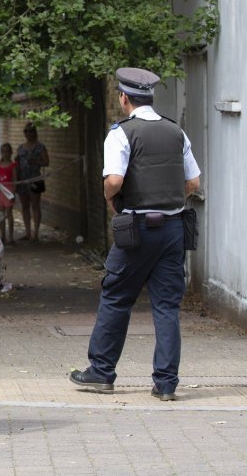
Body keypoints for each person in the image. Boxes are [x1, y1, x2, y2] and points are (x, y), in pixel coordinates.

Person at [70, 67, 201, 401]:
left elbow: (114, 180)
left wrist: (109, 196)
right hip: (173, 229)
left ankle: (101, 372)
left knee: (116, 297)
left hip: (137, 231)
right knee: (167, 306)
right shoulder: (176, 132)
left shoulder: (121, 133)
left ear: (124, 98)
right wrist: (169, 201)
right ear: (150, 98)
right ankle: (166, 384)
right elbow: (193, 183)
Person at [15, 122, 49, 241]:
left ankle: (36, 233)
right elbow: (17, 163)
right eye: (26, 131)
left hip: (35, 179)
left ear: (35, 132)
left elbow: (46, 162)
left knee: (35, 206)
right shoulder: (20, 148)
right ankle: (27, 232)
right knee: (24, 206)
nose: (29, 133)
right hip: (22, 181)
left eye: (31, 131)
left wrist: (35, 161)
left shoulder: (40, 147)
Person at [0, 143, 16, 245]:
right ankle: (2, 236)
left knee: (9, 214)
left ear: (11, 152)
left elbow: (15, 181)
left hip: (8, 191)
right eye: (3, 151)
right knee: (1, 215)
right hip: (0, 191)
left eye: (7, 151)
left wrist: (13, 193)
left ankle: (11, 237)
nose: (5, 153)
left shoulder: (13, 165)